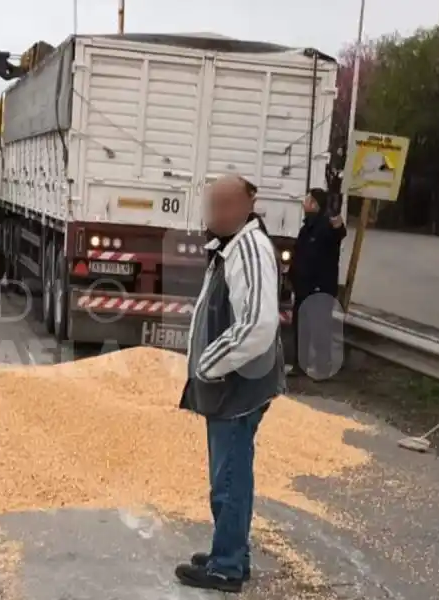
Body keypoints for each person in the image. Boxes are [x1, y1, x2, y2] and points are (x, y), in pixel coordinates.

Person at [176, 175, 284, 593]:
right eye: (211, 205)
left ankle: (226, 567)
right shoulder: (230, 246)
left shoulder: (250, 249)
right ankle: (231, 552)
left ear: (247, 205)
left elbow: (257, 324)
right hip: (229, 385)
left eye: (224, 205)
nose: (215, 213)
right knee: (229, 475)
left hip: (238, 387)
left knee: (231, 477)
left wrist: (208, 364)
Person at [287, 187, 346, 379]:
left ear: (314, 204)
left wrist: (336, 215)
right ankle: (300, 364)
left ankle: (323, 367)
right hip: (303, 287)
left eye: (307, 200)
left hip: (320, 288)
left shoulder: (325, 226)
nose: (304, 203)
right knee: (301, 327)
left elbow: (339, 233)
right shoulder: (307, 228)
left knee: (320, 328)